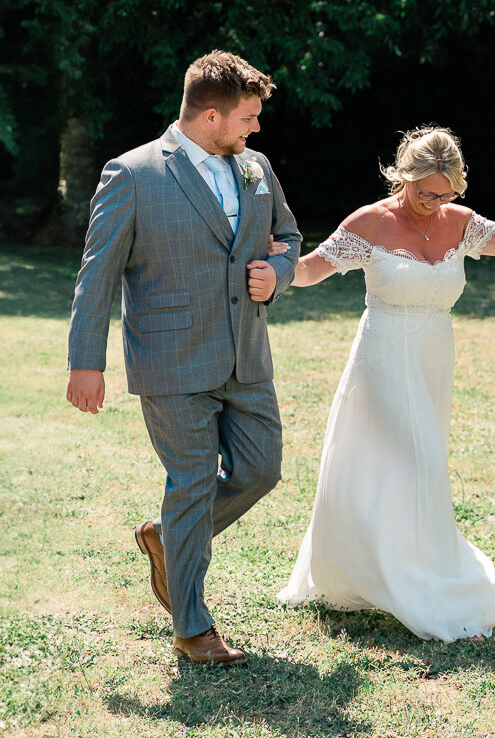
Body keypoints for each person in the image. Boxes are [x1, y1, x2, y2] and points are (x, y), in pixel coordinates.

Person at [276, 126, 495, 643]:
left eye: (444, 194)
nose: (433, 203)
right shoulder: (371, 223)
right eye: (424, 191)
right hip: (382, 358)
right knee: (416, 460)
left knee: (414, 466)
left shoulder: (460, 222)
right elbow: (312, 269)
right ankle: (414, 585)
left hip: (433, 357)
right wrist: (277, 268)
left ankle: (394, 566)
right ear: (403, 176)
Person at [66, 51, 301, 666]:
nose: (255, 128)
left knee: (262, 469)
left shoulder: (256, 167)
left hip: (246, 355)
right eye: (248, 117)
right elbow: (98, 275)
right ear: (211, 115)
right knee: (193, 483)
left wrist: (276, 273)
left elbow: (291, 237)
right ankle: (193, 628)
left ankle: (167, 540)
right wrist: (85, 361)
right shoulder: (133, 173)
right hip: (170, 360)